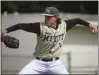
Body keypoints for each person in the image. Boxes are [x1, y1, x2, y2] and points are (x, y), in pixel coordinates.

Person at [1, 6, 98, 74]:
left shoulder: (64, 25)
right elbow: (20, 26)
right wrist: (6, 31)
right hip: (38, 63)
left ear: (56, 17)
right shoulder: (39, 27)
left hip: (55, 64)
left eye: (49, 17)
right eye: (45, 16)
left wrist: (90, 25)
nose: (46, 18)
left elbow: (77, 20)